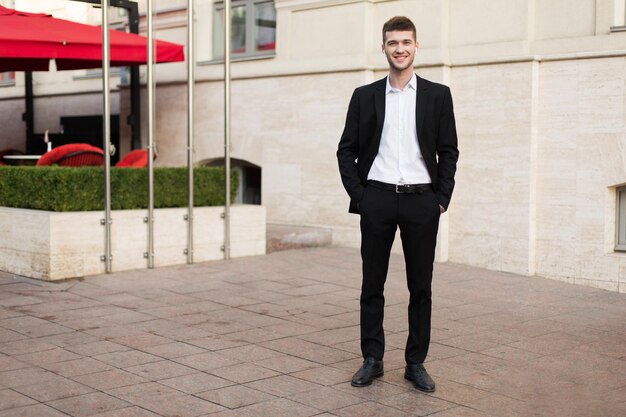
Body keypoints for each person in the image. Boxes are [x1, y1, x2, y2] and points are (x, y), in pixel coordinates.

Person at [337, 16, 459, 392]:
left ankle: (415, 363)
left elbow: (448, 150)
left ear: (416, 46)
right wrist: (362, 197)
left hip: (422, 201)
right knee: (372, 283)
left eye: (406, 42)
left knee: (420, 287)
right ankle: (372, 359)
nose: (400, 48)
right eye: (393, 43)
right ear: (384, 48)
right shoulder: (365, 95)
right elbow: (347, 151)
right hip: (378, 198)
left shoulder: (438, 95)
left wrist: (440, 199)